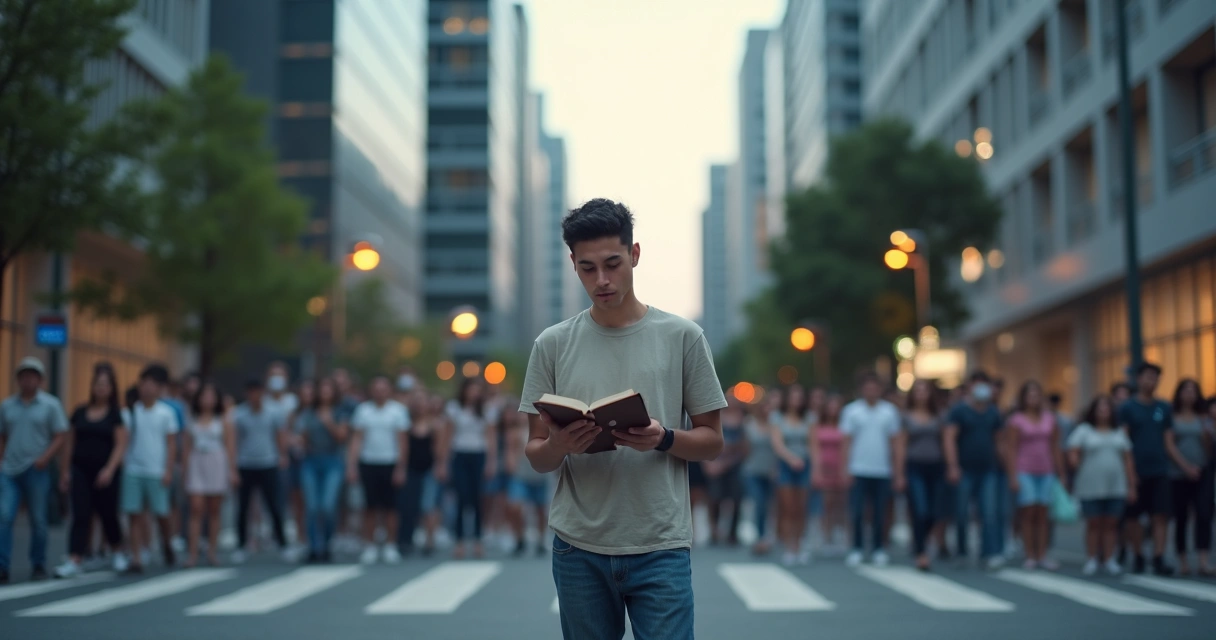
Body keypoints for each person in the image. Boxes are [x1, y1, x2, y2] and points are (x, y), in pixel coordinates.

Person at [519, 198, 727, 640]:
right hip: (578, 545)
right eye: (588, 268)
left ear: (634, 254)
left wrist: (663, 438)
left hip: (660, 543)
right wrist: (559, 445)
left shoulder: (683, 337)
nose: (602, 279)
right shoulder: (552, 344)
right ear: (573, 265)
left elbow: (712, 441)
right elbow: (536, 455)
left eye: (612, 264)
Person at [54, 365, 130, 578]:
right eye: (98, 384)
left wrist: (109, 469)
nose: (101, 388)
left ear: (112, 388)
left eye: (105, 385)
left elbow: (120, 445)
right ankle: (75, 558)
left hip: (105, 472)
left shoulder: (115, 415)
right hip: (80, 470)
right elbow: (69, 443)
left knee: (108, 514)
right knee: (80, 514)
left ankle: (117, 550)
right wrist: (65, 471)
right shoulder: (79, 412)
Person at [0, 357, 69, 583]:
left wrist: (45, 458)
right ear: (18, 379)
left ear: (40, 380)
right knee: (5, 516)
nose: (28, 380)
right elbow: (2, 436)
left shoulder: (50, 405)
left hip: (36, 468)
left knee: (38, 519)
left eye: (32, 376)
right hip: (9, 469)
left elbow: (61, 436)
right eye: (24, 376)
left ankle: (38, 563)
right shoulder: (7, 406)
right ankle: (2, 565)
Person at [1067, 394, 1136, 576]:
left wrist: (1132, 484)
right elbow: (1073, 452)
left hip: (1116, 485)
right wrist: (1074, 462)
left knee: (1111, 523)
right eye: (1100, 407)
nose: (1104, 411)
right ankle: (1092, 558)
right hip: (1090, 484)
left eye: (1107, 407)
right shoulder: (1084, 430)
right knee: (1094, 522)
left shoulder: (1118, 431)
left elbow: (1128, 459)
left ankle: (1109, 558)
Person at [943, 371, 1006, 570]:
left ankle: (989, 552)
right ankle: (962, 551)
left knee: (989, 512)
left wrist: (1005, 464)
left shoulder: (993, 412)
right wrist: (952, 466)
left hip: (988, 469)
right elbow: (949, 439)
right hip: (964, 470)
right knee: (961, 513)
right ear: (969, 387)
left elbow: (999, 441)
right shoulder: (959, 411)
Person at [121, 364, 181, 573]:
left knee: (161, 513)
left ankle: (167, 543)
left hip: (157, 470)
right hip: (133, 469)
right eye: (143, 383)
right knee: (134, 514)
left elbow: (171, 444)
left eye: (151, 384)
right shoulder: (129, 412)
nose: (147, 388)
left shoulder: (166, 413)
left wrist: (168, 469)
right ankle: (136, 557)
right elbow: (123, 441)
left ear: (159, 388)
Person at [840, 372, 903, 567]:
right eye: (867, 388)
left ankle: (878, 548)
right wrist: (845, 469)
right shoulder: (851, 411)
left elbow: (896, 443)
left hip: (882, 470)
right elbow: (846, 442)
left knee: (880, 512)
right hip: (858, 469)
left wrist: (898, 472)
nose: (871, 391)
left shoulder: (889, 411)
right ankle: (857, 547)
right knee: (857, 511)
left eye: (875, 388)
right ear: (861, 390)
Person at [1118, 362, 1175, 576]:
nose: (1152, 381)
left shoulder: (1164, 407)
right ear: (1138, 379)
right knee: (1133, 516)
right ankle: (1138, 555)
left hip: (1160, 469)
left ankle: (1159, 556)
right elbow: (1124, 443)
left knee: (1161, 515)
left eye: (1155, 377)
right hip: (1136, 469)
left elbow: (1169, 442)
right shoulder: (1127, 408)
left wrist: (1184, 465)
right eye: (1148, 376)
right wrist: (1130, 473)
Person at [346, 375, 409, 564]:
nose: (380, 392)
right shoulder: (363, 410)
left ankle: (390, 545)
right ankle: (370, 545)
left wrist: (401, 468)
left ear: (389, 390)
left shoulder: (398, 411)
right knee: (369, 507)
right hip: (368, 462)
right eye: (376, 389)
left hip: (390, 462)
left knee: (391, 508)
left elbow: (402, 442)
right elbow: (357, 439)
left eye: (383, 389)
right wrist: (352, 465)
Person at [1004, 380, 1065, 570]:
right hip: (1024, 470)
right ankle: (1030, 554)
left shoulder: (1049, 419)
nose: (1033, 398)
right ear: (1023, 398)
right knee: (1028, 512)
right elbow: (1011, 448)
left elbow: (1055, 447)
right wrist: (1012, 475)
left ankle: (1042, 554)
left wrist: (1061, 472)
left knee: (1043, 514)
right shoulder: (1016, 420)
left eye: (1037, 394)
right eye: (1029, 395)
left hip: (1046, 470)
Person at [232, 378, 293, 564]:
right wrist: (233, 466)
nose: (254, 396)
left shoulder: (274, 411)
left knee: (274, 506)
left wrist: (282, 455)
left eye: (257, 392)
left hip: (268, 462)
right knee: (243, 507)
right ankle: (242, 545)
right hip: (245, 463)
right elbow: (235, 440)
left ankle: (283, 544)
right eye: (251, 392)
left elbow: (280, 434)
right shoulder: (239, 414)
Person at [295, 377, 350, 563]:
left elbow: (342, 436)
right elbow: (301, 437)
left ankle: (326, 544)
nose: (325, 393)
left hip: (332, 461)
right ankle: (313, 547)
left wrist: (328, 422)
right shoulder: (308, 412)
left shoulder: (340, 412)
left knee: (327, 506)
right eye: (322, 389)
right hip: (311, 461)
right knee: (312, 507)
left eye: (329, 389)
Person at [182, 380, 235, 568]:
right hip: (197, 462)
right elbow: (186, 447)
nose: (208, 399)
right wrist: (185, 471)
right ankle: (193, 553)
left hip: (216, 463)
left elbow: (230, 447)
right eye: (204, 395)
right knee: (196, 508)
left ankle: (212, 552)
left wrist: (232, 471)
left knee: (214, 509)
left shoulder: (223, 420)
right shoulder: (192, 419)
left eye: (212, 396)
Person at [895, 379, 946, 572]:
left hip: (936, 466)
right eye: (918, 390)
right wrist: (899, 474)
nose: (921, 394)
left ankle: (921, 541)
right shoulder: (905, 417)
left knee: (934, 511)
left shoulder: (939, 416)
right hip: (914, 467)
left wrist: (950, 466)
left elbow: (945, 442)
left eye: (925, 390)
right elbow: (901, 446)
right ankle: (921, 552)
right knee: (920, 509)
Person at [444, 376, 497, 560]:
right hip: (460, 454)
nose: (474, 393)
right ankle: (459, 540)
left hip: (479, 455)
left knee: (477, 498)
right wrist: (443, 462)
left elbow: (490, 437)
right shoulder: (454, 408)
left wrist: (491, 462)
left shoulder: (487, 409)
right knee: (461, 497)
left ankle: (477, 540)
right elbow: (447, 436)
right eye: (471, 389)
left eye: (477, 390)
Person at [1165, 378, 1212, 576]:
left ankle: (1203, 560)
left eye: (1193, 390)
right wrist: (1185, 467)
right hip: (1178, 473)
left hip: (1202, 471)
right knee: (1181, 517)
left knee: (1204, 514)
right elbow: (1169, 445)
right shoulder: (1172, 417)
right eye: (1186, 390)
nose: (1190, 394)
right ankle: (1183, 560)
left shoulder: (1203, 418)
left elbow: (1209, 449)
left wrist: (1207, 434)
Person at [768, 384, 813, 566]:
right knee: (788, 508)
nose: (796, 400)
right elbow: (777, 444)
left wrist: (813, 466)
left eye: (799, 397)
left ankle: (799, 544)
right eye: (793, 397)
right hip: (786, 466)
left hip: (805, 465)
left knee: (801, 508)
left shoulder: (809, 417)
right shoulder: (777, 417)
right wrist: (792, 459)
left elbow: (813, 444)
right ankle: (789, 547)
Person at [399, 391, 445, 557]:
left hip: (429, 469)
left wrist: (440, 466)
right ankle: (406, 539)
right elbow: (403, 448)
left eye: (423, 401)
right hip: (411, 468)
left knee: (428, 505)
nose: (420, 405)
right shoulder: (406, 424)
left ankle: (429, 540)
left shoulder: (435, 425)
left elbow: (439, 450)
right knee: (409, 504)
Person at [505, 400, 552, 556]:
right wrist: (510, 463)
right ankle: (519, 538)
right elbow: (510, 450)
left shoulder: (545, 429)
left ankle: (540, 540)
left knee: (540, 509)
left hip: (540, 475)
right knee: (515, 506)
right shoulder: (515, 432)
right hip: (521, 475)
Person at [703, 393, 748, 547]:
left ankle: (733, 532)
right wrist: (708, 463)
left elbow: (745, 447)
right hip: (715, 463)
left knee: (736, 498)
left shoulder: (742, 419)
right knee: (715, 498)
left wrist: (728, 460)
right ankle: (714, 530)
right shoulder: (717, 417)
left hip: (734, 465)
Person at [811, 393, 848, 554]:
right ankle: (825, 534)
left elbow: (847, 447)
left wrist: (845, 469)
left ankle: (839, 532)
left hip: (840, 466)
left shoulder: (845, 425)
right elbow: (814, 448)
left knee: (840, 503)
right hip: (824, 467)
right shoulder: (818, 425)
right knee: (826, 502)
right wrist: (817, 470)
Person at [742, 395, 777, 556]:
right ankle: (760, 536)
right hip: (753, 470)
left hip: (771, 471)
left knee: (769, 505)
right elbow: (745, 448)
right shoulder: (749, 424)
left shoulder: (775, 425)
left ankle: (768, 535)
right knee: (759, 502)